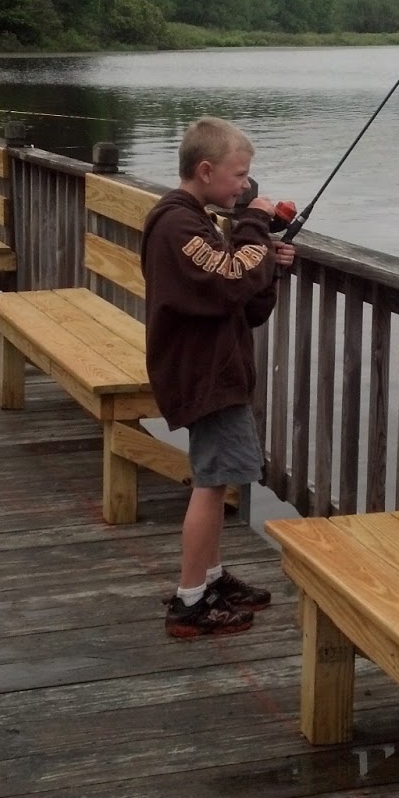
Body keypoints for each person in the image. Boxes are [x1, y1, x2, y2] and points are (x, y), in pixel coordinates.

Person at [140, 116, 295, 639]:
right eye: (239, 177)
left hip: (215, 370)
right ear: (205, 171)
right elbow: (231, 280)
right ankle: (189, 603)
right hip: (203, 376)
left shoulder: (199, 219)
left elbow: (243, 304)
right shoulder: (177, 226)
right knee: (210, 484)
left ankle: (209, 578)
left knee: (218, 475)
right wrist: (254, 225)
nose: (245, 187)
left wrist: (270, 264)